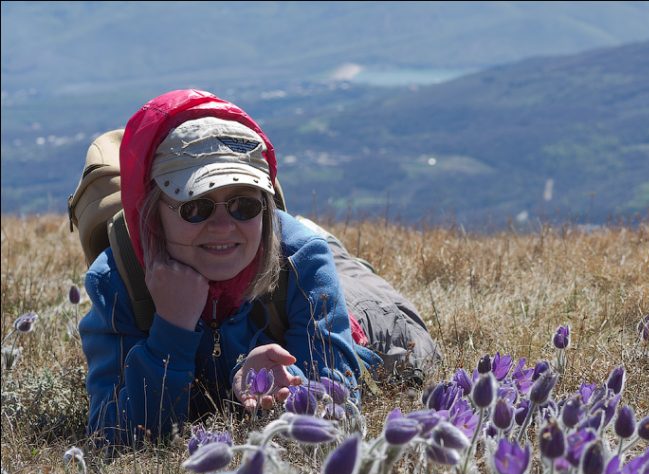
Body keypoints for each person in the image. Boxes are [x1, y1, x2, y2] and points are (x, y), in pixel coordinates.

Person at [79, 89, 427, 446]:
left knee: (414, 347)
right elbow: (114, 432)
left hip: (363, 311)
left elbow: (337, 394)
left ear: (265, 203)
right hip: (267, 248)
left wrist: (278, 376)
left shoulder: (303, 259)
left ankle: (329, 244)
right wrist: (172, 328)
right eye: (195, 206)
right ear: (152, 213)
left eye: (244, 205)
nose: (222, 225)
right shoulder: (119, 281)